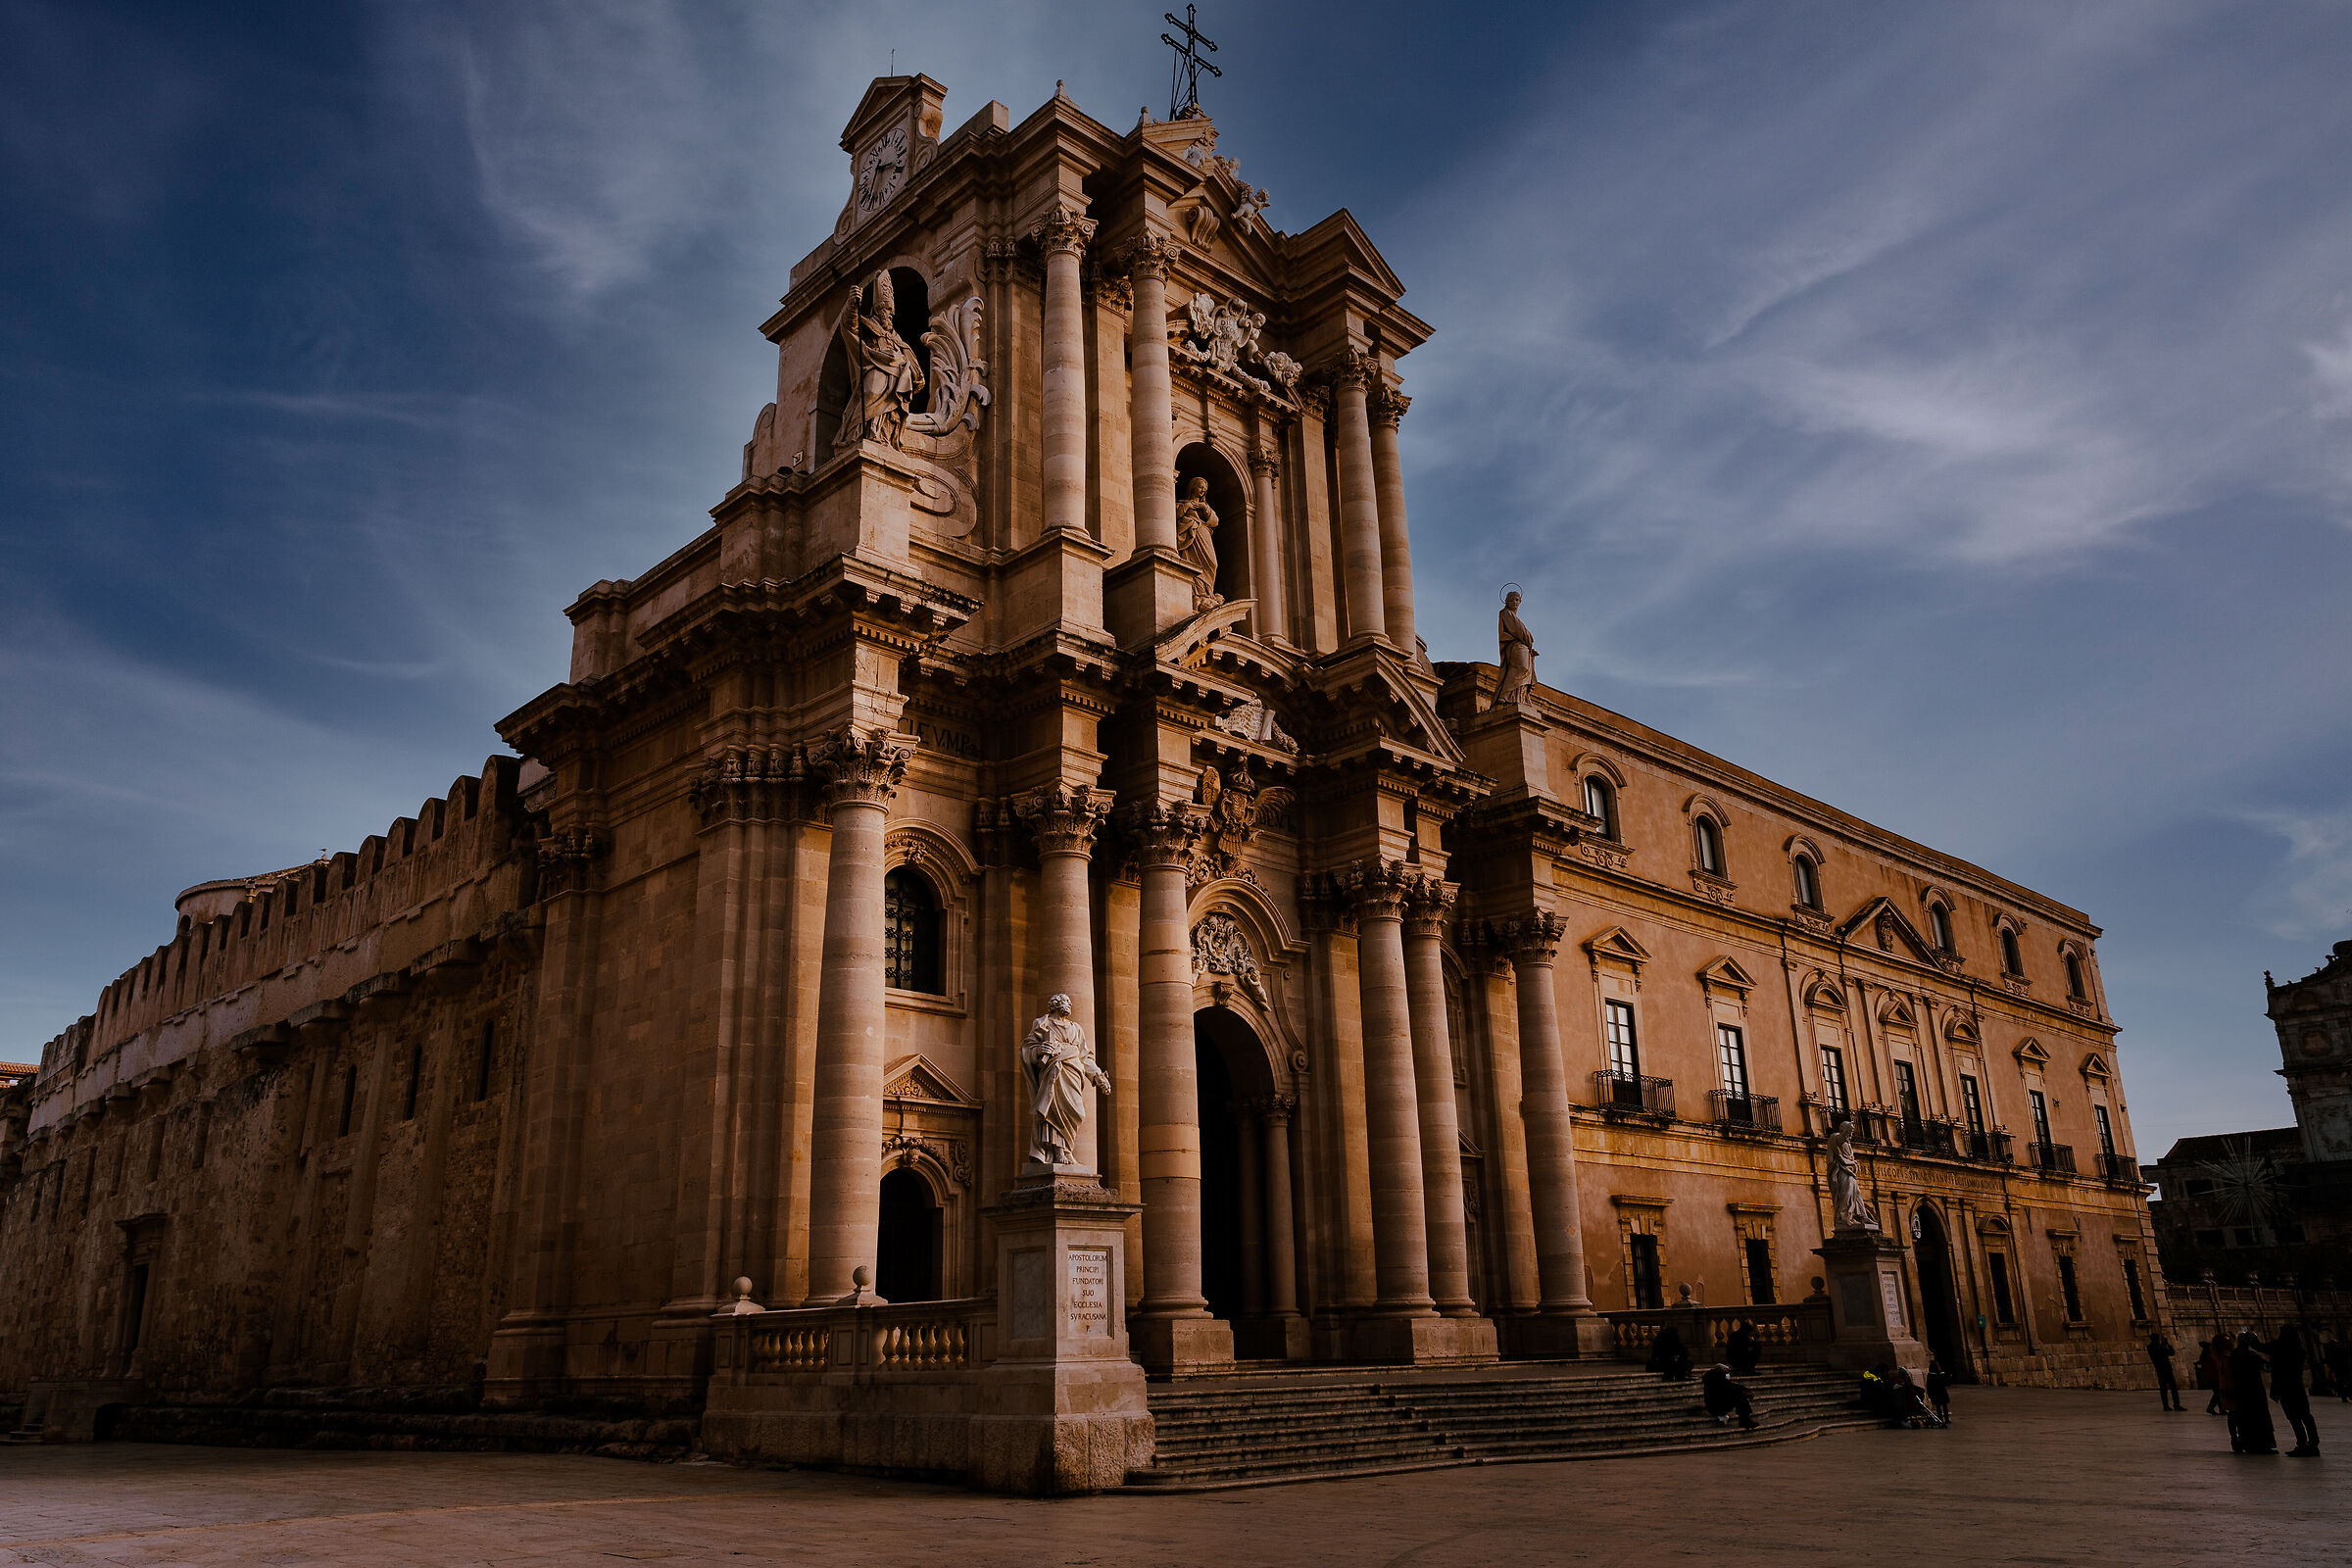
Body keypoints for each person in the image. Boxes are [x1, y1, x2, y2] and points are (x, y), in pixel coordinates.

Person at [2271, 1326, 2321, 1456]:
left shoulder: (2279, 1349)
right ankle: (2313, 1444)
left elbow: (2264, 1347)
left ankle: (2302, 1444)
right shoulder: (2300, 1351)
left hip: (2285, 1388)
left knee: (2294, 1417)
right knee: (2306, 1416)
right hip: (2297, 1387)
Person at [2228, 1331, 2278, 1454]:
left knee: (2244, 1418)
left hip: (2239, 1390)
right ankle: (2262, 1445)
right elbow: (2266, 1368)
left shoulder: (2233, 1355)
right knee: (2259, 1417)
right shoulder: (2252, 1356)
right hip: (2254, 1390)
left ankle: (2247, 1443)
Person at [1702, 1363, 1758, 1430]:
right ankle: (1744, 1420)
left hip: (1715, 1405)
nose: (1727, 1375)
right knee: (1739, 1395)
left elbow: (1730, 1386)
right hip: (1716, 1407)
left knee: (1738, 1394)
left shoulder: (1715, 1377)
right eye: (1726, 1372)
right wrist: (1745, 1391)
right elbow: (1728, 1387)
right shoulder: (1715, 1378)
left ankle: (1745, 1419)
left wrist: (1745, 1389)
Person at [2147, 1330, 2184, 1412]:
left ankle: (2165, 1406)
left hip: (2159, 1370)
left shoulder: (2150, 1347)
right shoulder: (2160, 1347)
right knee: (2173, 1388)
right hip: (2166, 1369)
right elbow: (2171, 1353)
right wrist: (2167, 1344)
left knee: (2163, 1389)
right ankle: (2176, 1405)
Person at [2200, 1336, 2232, 1417]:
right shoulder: (2210, 1356)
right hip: (2215, 1377)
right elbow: (2216, 1366)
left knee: (2217, 1393)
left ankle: (2220, 1409)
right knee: (2218, 1393)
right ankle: (2213, 1407)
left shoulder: (2205, 1356)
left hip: (2211, 1377)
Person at [1925, 1358, 1953, 1425]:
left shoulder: (1930, 1375)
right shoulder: (1941, 1375)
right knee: (1944, 1406)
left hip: (1935, 1393)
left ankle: (1940, 1419)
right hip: (1941, 1392)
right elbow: (1947, 1383)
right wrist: (1949, 1377)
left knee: (1938, 1407)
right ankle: (1946, 1419)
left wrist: (1929, 1394)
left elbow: (1928, 1385)